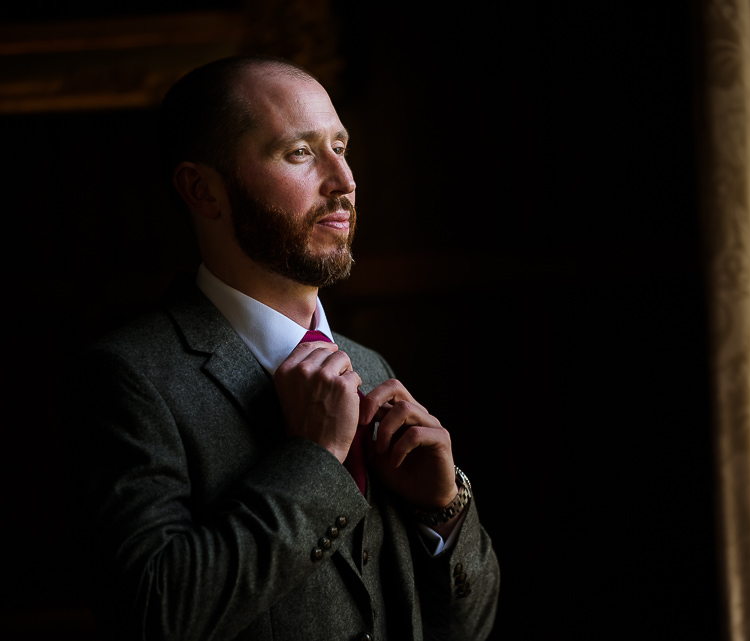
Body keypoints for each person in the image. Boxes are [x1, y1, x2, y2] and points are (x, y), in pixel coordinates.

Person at [69, 55, 499, 641]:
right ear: (202, 189)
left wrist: (443, 513)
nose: (344, 181)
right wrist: (315, 460)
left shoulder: (371, 367)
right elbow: (151, 617)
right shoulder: (130, 377)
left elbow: (468, 629)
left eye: (340, 148)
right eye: (300, 153)